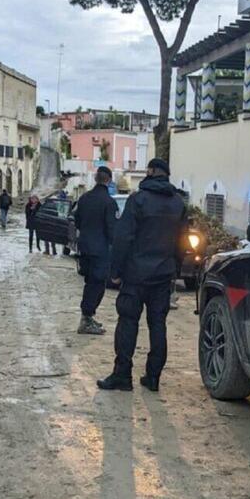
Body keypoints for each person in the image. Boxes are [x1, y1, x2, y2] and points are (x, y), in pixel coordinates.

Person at [97, 158, 186, 393]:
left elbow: (123, 238)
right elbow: (182, 242)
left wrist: (115, 272)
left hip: (136, 275)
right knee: (158, 325)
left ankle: (122, 375)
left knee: (127, 323)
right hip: (163, 275)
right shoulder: (178, 203)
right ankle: (153, 376)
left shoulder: (138, 200)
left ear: (149, 172)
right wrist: (174, 268)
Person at [73, 166, 117, 335]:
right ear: (109, 180)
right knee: (97, 285)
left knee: (90, 283)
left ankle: (87, 317)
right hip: (100, 250)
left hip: (84, 248)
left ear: (96, 179)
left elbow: (76, 221)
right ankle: (86, 318)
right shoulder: (109, 203)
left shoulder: (84, 199)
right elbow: (111, 229)